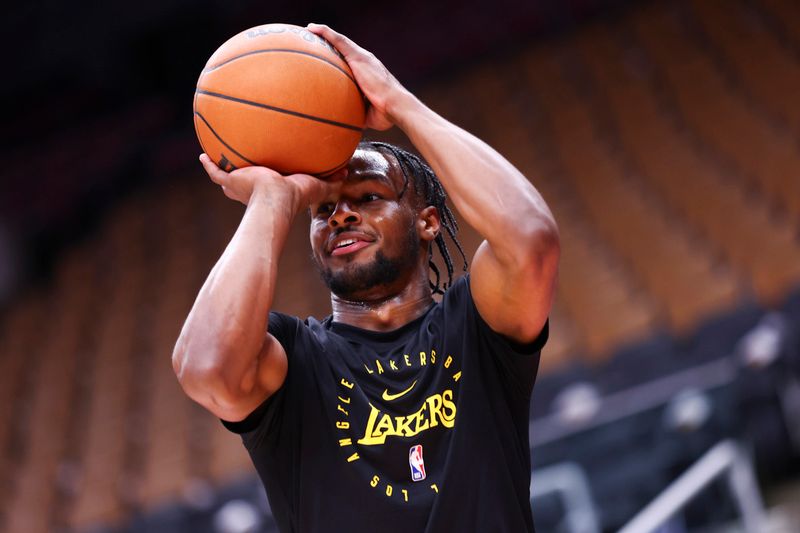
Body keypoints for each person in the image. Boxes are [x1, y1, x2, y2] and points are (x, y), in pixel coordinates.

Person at [173, 23, 559, 533]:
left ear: (427, 221)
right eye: (323, 209)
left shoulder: (474, 327)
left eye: (369, 197)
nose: (340, 216)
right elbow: (205, 370)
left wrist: (399, 103)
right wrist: (272, 198)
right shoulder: (296, 361)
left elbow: (531, 240)